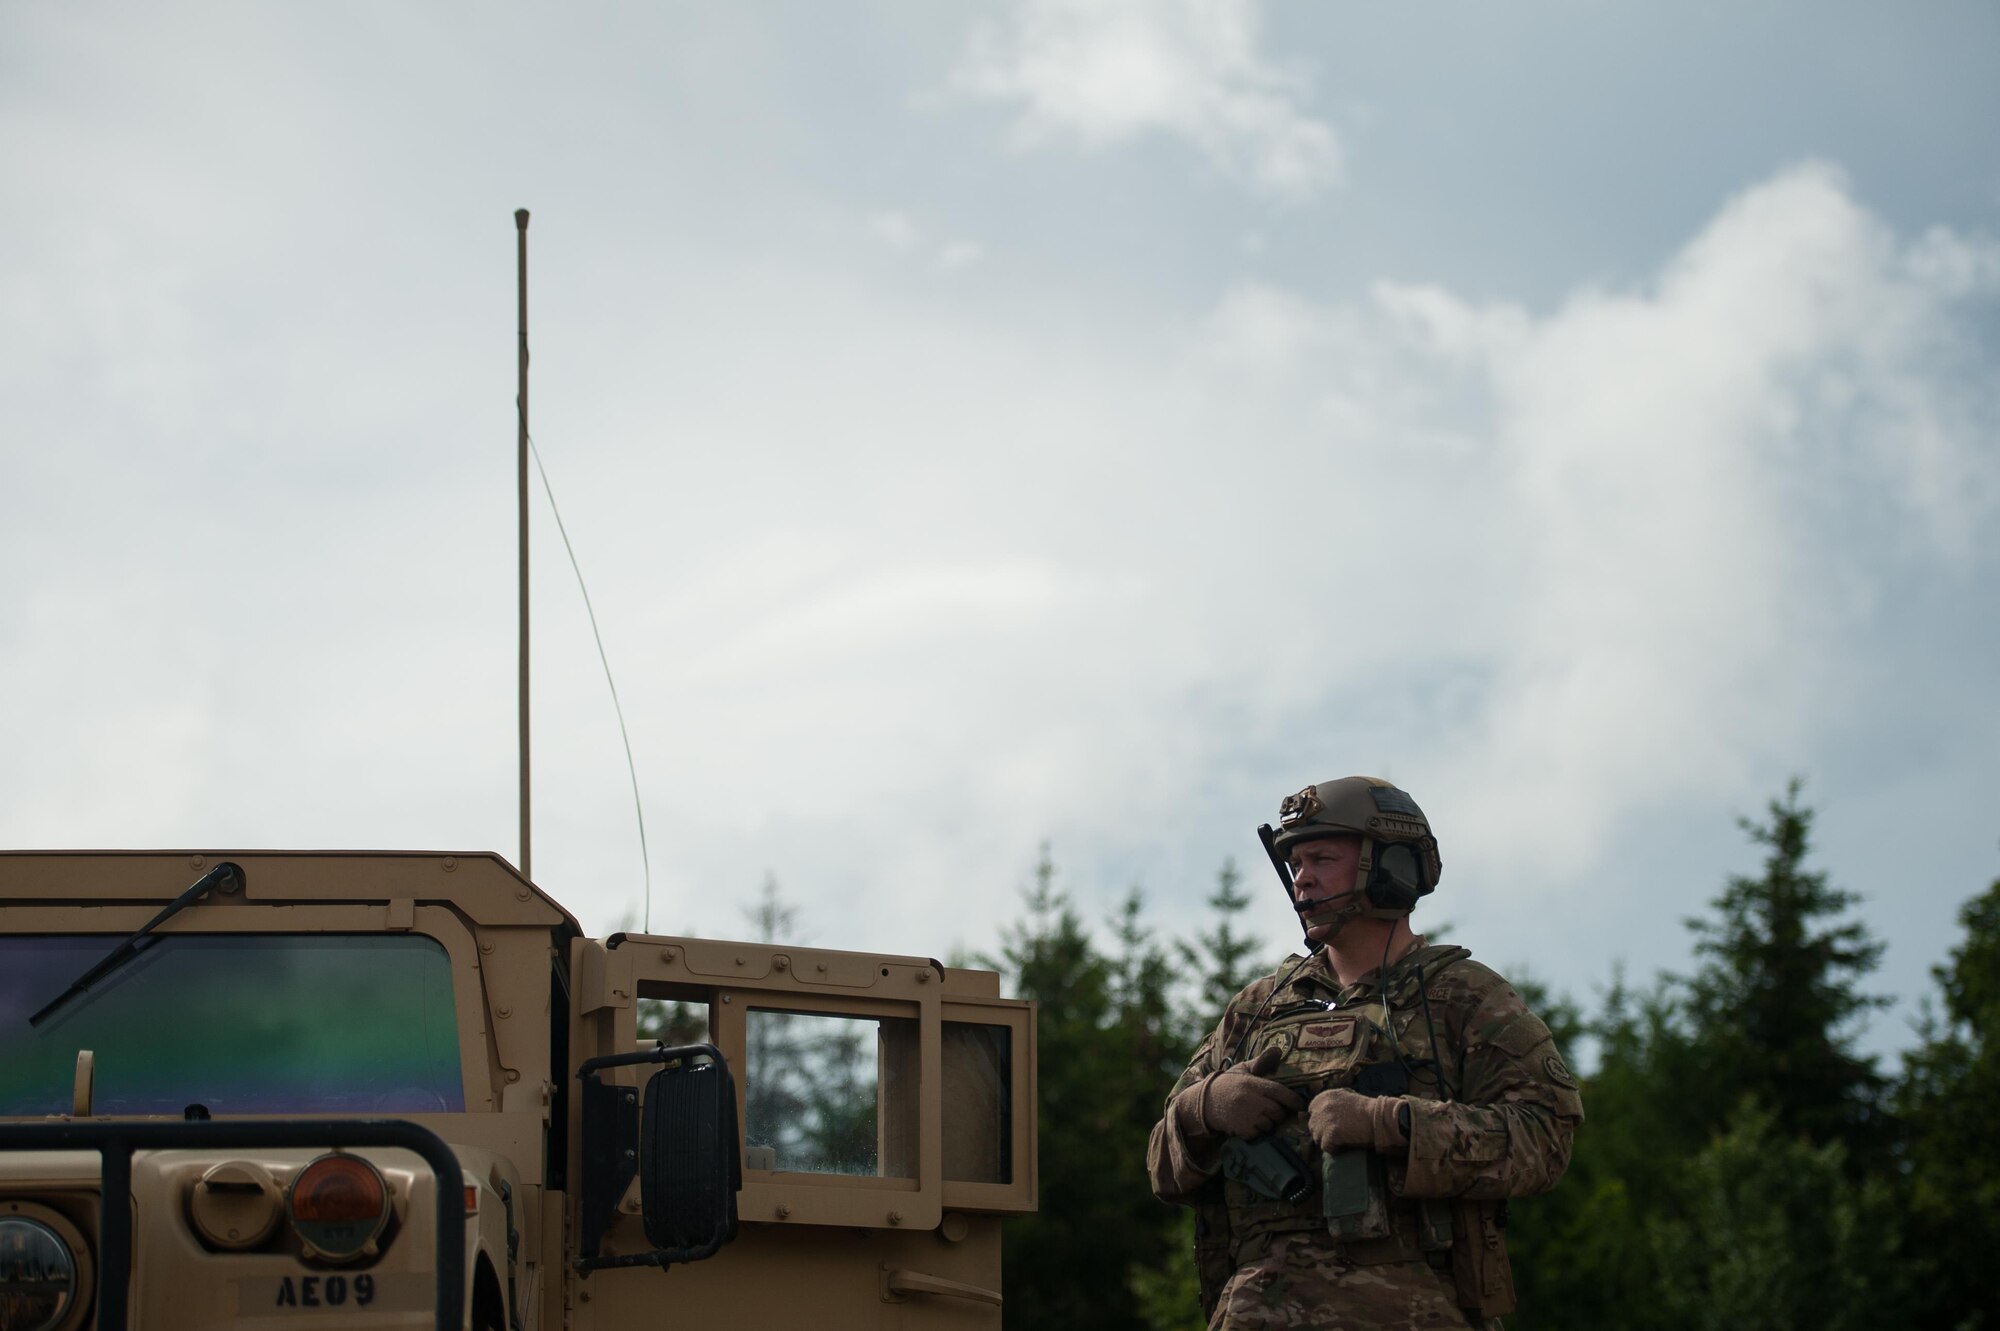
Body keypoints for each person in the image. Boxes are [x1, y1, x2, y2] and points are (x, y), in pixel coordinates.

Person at [1147, 776, 1582, 1329]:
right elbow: (1160, 1166)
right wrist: (1204, 1107)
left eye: (1321, 858)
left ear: (1392, 870)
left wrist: (1391, 1124)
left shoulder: (1466, 997)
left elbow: (1545, 1138)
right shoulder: (1259, 1007)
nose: (1301, 878)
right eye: (1295, 863)